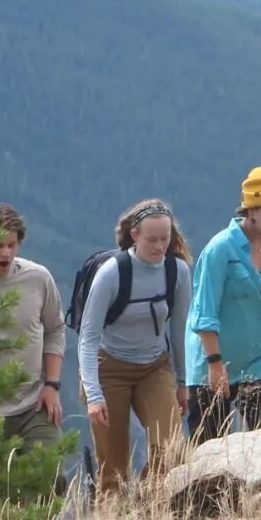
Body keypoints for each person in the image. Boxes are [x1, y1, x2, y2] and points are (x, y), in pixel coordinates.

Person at [78, 199, 192, 495]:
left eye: (165, 239)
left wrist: (182, 382)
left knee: (172, 448)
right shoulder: (112, 273)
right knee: (113, 471)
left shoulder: (177, 271)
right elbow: (88, 337)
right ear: (135, 235)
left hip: (153, 368)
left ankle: (147, 504)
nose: (159, 247)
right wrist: (93, 395)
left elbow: (179, 330)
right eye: (152, 239)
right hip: (109, 369)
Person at [185, 166, 261, 444]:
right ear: (250, 210)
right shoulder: (221, 249)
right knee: (211, 452)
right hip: (212, 365)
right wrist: (215, 363)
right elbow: (204, 311)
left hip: (258, 360)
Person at [0, 203, 67, 458]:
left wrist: (52, 384)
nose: (6, 252)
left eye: (12, 245)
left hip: (34, 404)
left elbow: (55, 329)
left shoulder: (38, 279)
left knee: (48, 479)